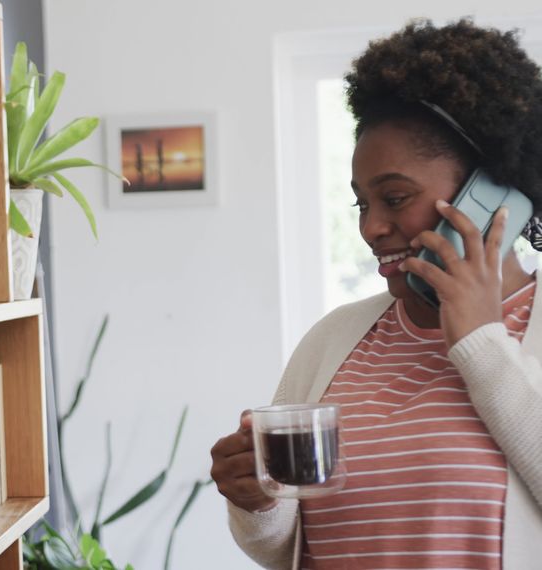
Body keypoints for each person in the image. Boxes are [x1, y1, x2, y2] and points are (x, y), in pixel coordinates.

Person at [210, 19, 542, 569]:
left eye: (395, 197)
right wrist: (257, 502)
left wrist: (482, 342)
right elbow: (283, 550)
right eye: (362, 204)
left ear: (492, 193)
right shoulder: (334, 341)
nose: (370, 228)